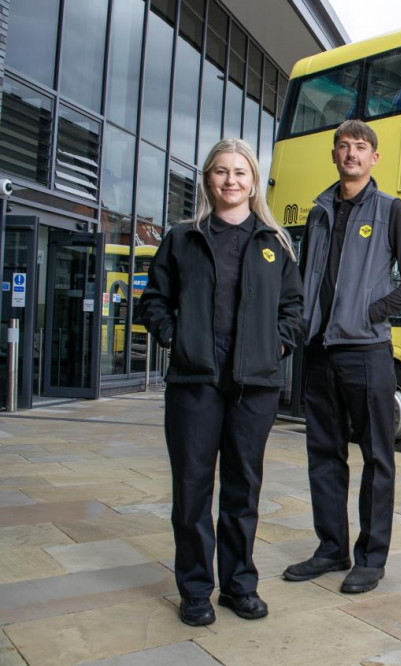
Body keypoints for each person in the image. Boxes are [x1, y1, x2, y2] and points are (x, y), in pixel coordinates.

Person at [139, 138, 304, 626]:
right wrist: (177, 339)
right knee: (192, 488)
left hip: (254, 382)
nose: (231, 181)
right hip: (195, 378)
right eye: (221, 172)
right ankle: (194, 589)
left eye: (240, 172)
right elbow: (154, 300)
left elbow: (293, 310)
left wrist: (275, 346)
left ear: (254, 182)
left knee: (242, 488)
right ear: (208, 179)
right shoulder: (182, 237)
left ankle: (238, 586)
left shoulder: (274, 243)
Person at [283, 119, 401, 593]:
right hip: (319, 350)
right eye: (344, 146)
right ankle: (331, 549)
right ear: (333, 155)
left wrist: (371, 311)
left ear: (374, 158)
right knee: (323, 455)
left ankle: (370, 558)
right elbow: (308, 276)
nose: (351, 154)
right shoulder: (319, 211)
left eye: (360, 148)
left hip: (366, 350)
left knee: (377, 457)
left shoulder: (391, 210)